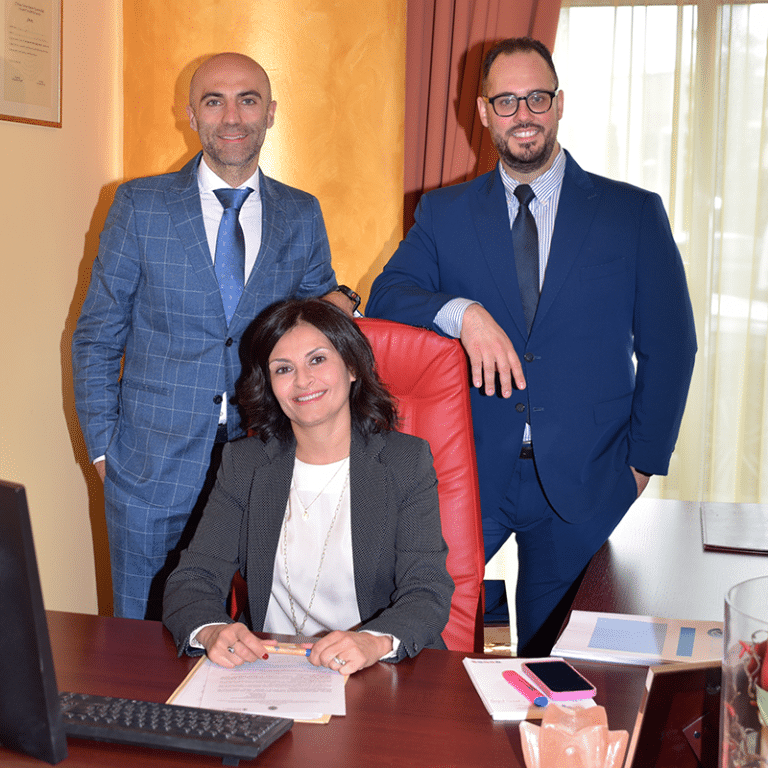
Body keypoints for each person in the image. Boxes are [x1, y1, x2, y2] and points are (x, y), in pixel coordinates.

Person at [366, 37, 697, 656]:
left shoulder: (632, 213)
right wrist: (464, 314)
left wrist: (642, 465)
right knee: (428, 644)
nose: (524, 114)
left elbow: (672, 346)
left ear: (560, 103)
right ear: (484, 112)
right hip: (470, 473)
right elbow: (388, 296)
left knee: (561, 665)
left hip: (590, 479)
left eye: (537, 98)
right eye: (507, 100)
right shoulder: (443, 212)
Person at [72, 53, 354, 620]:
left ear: (270, 113)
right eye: (214, 101)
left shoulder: (301, 213)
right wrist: (105, 451)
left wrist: (344, 299)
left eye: (248, 100)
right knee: (143, 640)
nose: (232, 117)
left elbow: (318, 326)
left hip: (267, 461)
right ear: (191, 114)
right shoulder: (140, 206)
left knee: (260, 634)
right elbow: (97, 337)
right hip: (149, 470)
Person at [162, 298, 453, 674]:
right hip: (268, 666)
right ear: (269, 384)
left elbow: (426, 588)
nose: (302, 381)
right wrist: (212, 630)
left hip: (375, 670)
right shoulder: (244, 464)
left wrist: (374, 641)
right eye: (283, 369)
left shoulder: (404, 461)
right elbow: (193, 578)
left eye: (317, 360)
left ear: (352, 366)